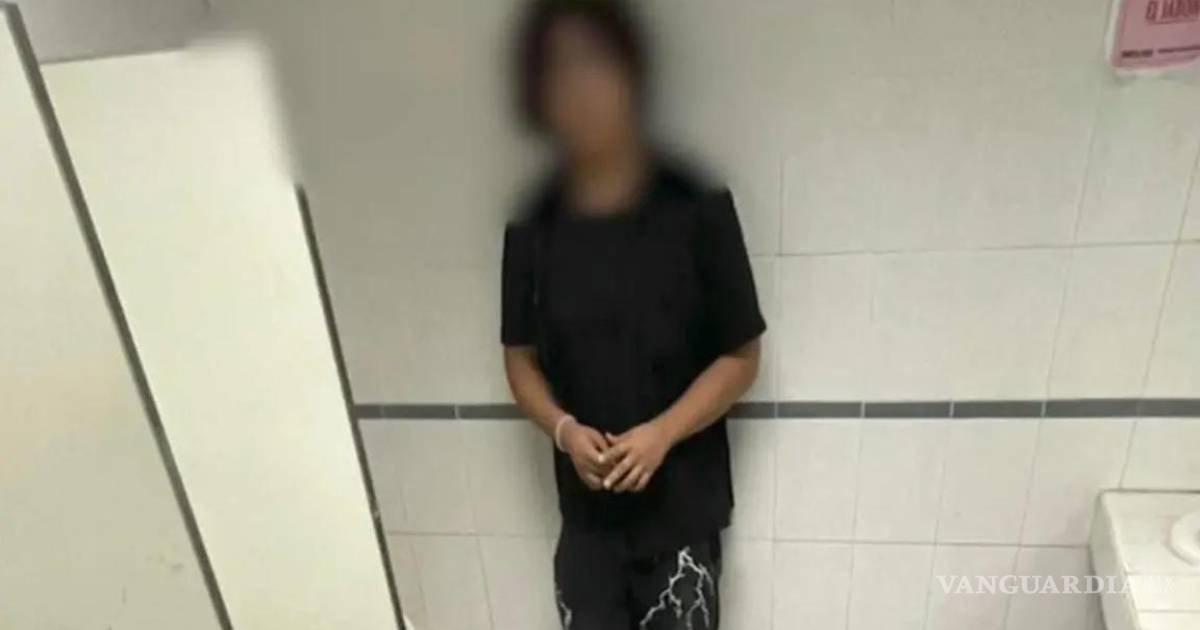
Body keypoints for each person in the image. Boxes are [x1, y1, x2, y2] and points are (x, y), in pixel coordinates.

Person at [501, 2, 765, 628]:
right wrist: (564, 431)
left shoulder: (698, 206)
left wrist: (662, 434)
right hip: (586, 527)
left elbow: (742, 356)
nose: (580, 88)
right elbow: (519, 359)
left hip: (680, 520)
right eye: (559, 70)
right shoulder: (532, 224)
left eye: (596, 64)